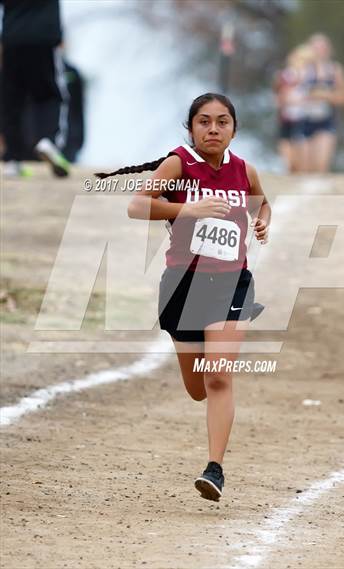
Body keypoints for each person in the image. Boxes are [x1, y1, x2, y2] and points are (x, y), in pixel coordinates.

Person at [95, 93, 271, 502]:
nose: (213, 129)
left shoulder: (245, 170)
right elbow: (137, 206)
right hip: (183, 286)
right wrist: (185, 211)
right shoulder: (178, 164)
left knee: (218, 376)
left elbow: (263, 205)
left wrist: (262, 223)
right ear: (191, 128)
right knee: (197, 388)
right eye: (204, 122)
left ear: (234, 129)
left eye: (222, 122)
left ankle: (215, 469)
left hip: (232, 284)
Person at [1, 0, 70, 177]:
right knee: (50, 95)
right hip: (43, 38)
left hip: (13, 38)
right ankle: (48, 140)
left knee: (12, 99)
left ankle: (12, 159)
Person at [303, 33, 344, 173]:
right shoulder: (303, 68)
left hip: (326, 122)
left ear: (329, 50)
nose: (319, 51)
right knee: (303, 168)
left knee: (321, 164)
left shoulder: (335, 70)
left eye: (322, 47)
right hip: (303, 122)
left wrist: (326, 95)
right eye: (315, 47)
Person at [273, 45, 314, 173]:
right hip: (287, 118)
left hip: (303, 118)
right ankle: (291, 169)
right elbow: (278, 97)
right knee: (288, 152)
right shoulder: (285, 76)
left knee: (301, 150)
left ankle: (299, 170)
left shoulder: (310, 77)